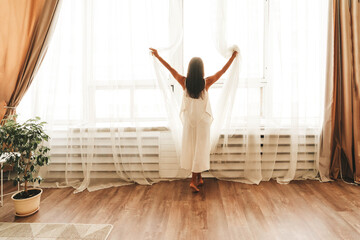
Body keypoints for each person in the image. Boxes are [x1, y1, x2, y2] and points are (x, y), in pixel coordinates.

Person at [150, 48, 238, 192]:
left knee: (193, 148)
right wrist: (233, 57)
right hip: (202, 123)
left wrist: (158, 56)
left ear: (190, 70)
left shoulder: (184, 82)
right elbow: (222, 71)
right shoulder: (206, 82)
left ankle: (199, 178)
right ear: (201, 70)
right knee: (200, 149)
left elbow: (170, 69)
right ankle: (193, 180)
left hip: (190, 122)